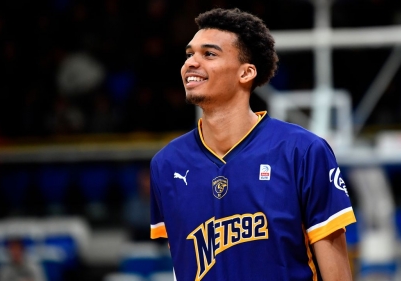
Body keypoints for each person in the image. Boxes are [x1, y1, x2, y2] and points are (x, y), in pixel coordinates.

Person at [149, 8, 356, 281]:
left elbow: (337, 273)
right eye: (189, 55)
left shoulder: (303, 151)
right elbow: (182, 264)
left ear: (246, 73)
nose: (191, 63)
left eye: (209, 54)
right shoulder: (166, 164)